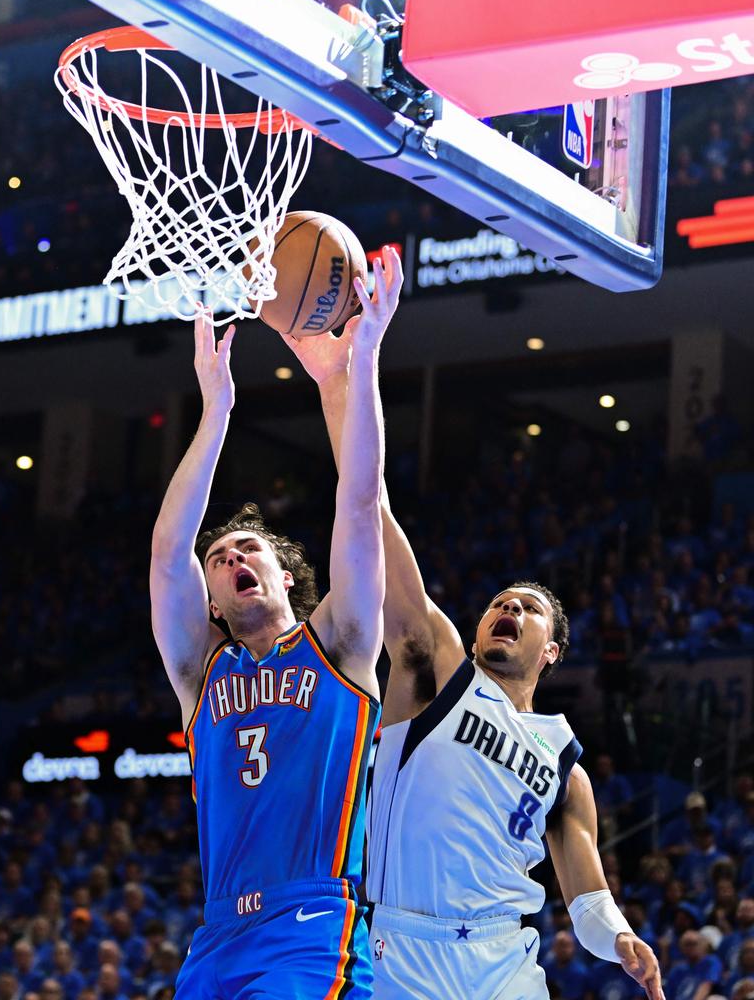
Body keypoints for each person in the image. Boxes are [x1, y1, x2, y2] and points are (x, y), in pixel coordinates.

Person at [285, 311, 665, 1000]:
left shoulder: (562, 759)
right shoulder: (439, 670)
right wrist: (338, 382)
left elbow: (586, 899)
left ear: (550, 651)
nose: (507, 611)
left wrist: (621, 940)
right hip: (403, 949)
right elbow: (369, 509)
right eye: (499, 603)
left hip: (503, 959)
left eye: (527, 609)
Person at [150, 247, 403, 999]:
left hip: (313, 924)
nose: (230, 561)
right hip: (216, 934)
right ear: (214, 601)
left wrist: (364, 363)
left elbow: (359, 501)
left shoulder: (342, 641)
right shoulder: (201, 671)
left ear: (285, 574)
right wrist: (216, 412)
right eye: (220, 559)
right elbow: (169, 554)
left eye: (247, 549)